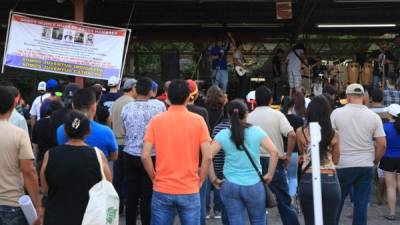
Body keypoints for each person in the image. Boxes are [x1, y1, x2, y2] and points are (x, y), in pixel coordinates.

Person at [141, 80, 212, 225]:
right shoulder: (198, 121)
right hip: (189, 188)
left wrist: (154, 178)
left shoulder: (156, 121)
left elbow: (145, 155)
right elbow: (208, 155)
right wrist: (201, 179)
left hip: (162, 187)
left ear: (167, 97)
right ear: (188, 97)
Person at [208, 99, 279, 225]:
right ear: (247, 114)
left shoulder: (223, 134)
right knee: (258, 220)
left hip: (230, 184)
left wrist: (213, 178)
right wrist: (270, 174)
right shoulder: (256, 131)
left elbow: (208, 157)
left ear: (228, 115)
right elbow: (274, 152)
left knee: (235, 221)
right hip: (254, 185)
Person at [40, 111, 112, 225]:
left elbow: (45, 189)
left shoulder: (50, 155)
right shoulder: (98, 155)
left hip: (56, 217)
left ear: (64, 130)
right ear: (88, 131)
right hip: (89, 218)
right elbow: (107, 185)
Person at [331, 83, 387, 225]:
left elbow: (329, 139)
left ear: (348, 97)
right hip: (365, 163)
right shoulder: (373, 116)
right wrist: (375, 160)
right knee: (361, 204)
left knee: (337, 203)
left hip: (342, 164)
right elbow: (382, 144)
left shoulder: (336, 113)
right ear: (363, 97)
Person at [247, 86, 300, 225]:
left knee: (258, 201)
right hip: (275, 160)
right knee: (284, 200)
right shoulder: (277, 115)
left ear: (256, 100)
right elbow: (292, 134)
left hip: (254, 162)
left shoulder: (248, 117)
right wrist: (287, 155)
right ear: (271, 100)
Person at [121, 77, 166, 225]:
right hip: (151, 155)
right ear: (150, 91)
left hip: (129, 153)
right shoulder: (158, 107)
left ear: (135, 90)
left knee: (132, 195)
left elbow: (125, 128)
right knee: (148, 195)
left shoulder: (126, 107)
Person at [0, 86, 42, 225]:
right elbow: (29, 172)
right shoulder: (19, 134)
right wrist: (37, 207)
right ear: (13, 105)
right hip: (11, 203)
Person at [296, 96, 341, 225]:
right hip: (330, 179)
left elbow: (303, 153)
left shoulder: (301, 132)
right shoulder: (334, 134)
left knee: (310, 221)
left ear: (309, 112)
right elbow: (336, 160)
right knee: (330, 221)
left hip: (307, 180)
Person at [57, 88, 118, 161]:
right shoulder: (106, 132)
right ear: (94, 107)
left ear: (73, 106)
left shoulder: (61, 129)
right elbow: (114, 157)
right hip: (96, 170)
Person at [186, 79, 211, 224]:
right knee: (199, 200)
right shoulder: (202, 112)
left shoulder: (168, 113)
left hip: (178, 162)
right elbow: (206, 140)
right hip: (198, 161)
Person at [111, 78, 137, 214]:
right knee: (128, 177)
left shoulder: (116, 102)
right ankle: (128, 206)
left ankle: (117, 206)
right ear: (133, 88)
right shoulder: (132, 103)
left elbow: (110, 121)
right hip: (127, 144)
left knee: (118, 177)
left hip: (116, 143)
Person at [208, 105, 230, 225]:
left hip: (218, 164)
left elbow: (211, 151)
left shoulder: (218, 128)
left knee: (219, 187)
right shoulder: (247, 129)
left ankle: (217, 209)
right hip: (232, 169)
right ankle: (220, 210)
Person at [379, 104, 400, 220]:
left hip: (388, 158)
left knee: (390, 187)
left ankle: (392, 213)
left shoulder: (384, 127)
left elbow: (381, 144)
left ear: (390, 114)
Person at [280, 96, 304, 201]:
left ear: (281, 105)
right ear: (293, 106)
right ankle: (292, 200)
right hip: (294, 152)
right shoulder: (298, 120)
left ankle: (283, 199)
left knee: (281, 179)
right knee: (293, 177)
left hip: (280, 152)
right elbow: (299, 138)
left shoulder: (279, 118)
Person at [32, 100, 64, 170]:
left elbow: (35, 147)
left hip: (41, 160)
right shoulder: (62, 125)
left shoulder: (38, 123)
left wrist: (34, 164)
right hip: (57, 161)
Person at [229, 32, 248, 99]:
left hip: (240, 69)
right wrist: (243, 66)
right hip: (239, 69)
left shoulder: (238, 52)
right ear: (239, 45)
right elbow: (235, 61)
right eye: (242, 45)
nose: (242, 46)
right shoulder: (237, 51)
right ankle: (241, 98)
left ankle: (241, 97)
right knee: (243, 84)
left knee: (242, 84)